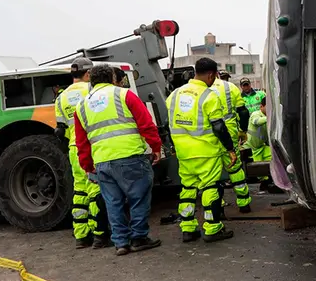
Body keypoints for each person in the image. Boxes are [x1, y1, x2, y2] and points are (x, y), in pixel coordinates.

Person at [74, 64, 162, 256]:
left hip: (102, 162)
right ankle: (139, 237)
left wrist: (88, 166)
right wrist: (155, 147)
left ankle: (120, 242)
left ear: (91, 79)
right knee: (138, 198)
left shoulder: (81, 106)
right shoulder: (124, 95)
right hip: (130, 157)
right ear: (113, 78)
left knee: (113, 202)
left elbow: (81, 142)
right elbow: (146, 124)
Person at [167, 57, 240, 242]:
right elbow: (218, 127)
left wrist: (173, 146)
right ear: (210, 75)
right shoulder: (209, 95)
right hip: (206, 151)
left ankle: (188, 228)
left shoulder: (174, 95)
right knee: (210, 188)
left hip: (184, 152)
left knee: (188, 189)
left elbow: (168, 123)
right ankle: (212, 228)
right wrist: (230, 148)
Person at [54, 57, 109, 250]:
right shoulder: (91, 91)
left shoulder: (61, 97)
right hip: (90, 147)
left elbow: (60, 128)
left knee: (79, 191)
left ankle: (80, 235)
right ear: (88, 74)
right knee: (95, 190)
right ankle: (99, 234)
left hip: (73, 148)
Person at [212, 71, 252, 212]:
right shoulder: (229, 87)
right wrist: (243, 130)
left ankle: (218, 206)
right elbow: (243, 112)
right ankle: (244, 204)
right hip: (230, 133)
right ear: (216, 73)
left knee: (213, 174)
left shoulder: (198, 90)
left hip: (208, 137)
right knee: (235, 168)